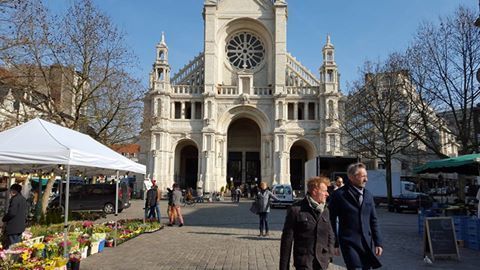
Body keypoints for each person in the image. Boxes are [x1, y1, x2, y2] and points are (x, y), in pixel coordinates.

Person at [328, 162, 383, 270]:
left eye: (366, 176)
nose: (366, 180)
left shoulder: (368, 195)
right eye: (363, 177)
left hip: (367, 243)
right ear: (351, 177)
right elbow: (331, 220)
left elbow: (373, 220)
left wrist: (378, 242)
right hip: (349, 242)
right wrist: (334, 243)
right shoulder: (339, 195)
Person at [280, 176, 334, 270]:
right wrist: (284, 267)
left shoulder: (325, 210)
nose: (327, 194)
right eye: (324, 191)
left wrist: (329, 254)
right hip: (304, 262)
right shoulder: (296, 210)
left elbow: (330, 234)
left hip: (322, 263)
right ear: (314, 191)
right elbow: (286, 242)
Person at [2, 184, 27, 248]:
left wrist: (4, 219)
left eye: (11, 190)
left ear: (14, 191)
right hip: (20, 226)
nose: (10, 192)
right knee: (17, 245)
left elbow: (12, 213)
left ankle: (12, 258)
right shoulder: (23, 199)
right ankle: (16, 257)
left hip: (13, 226)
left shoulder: (15, 199)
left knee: (12, 246)